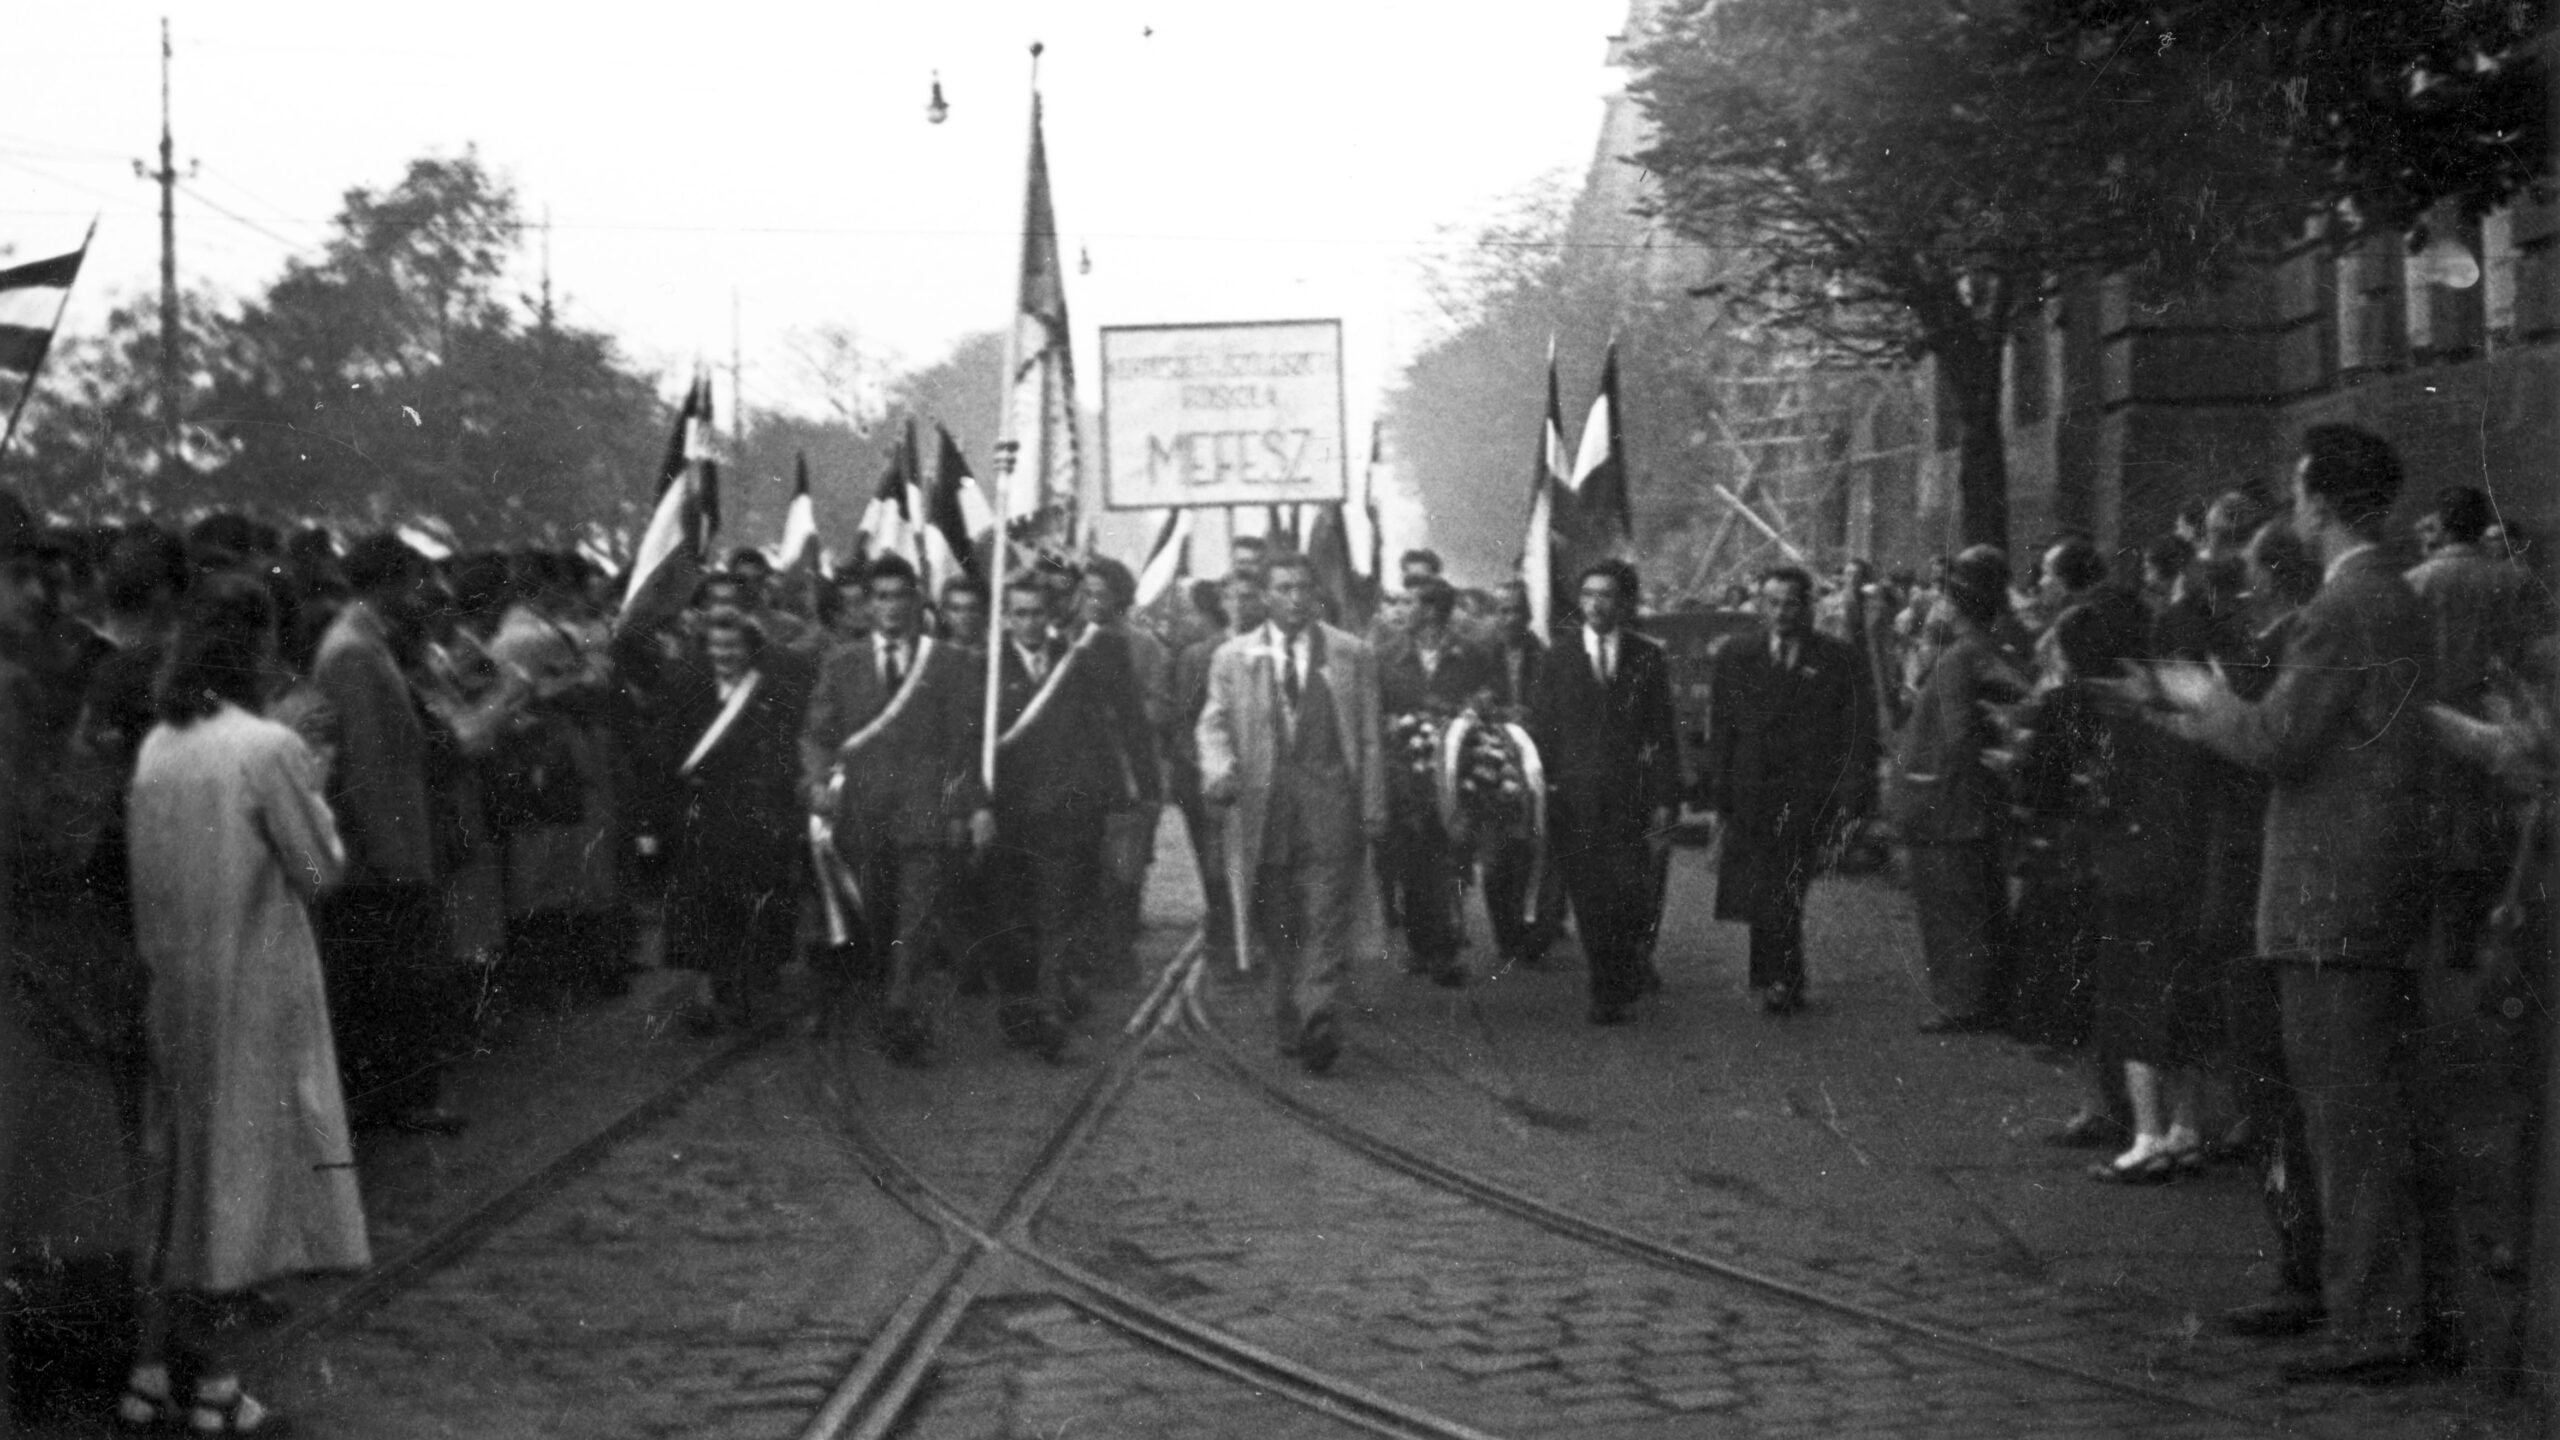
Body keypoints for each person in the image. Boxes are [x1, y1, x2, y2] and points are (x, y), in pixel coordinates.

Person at [2147, 424, 2456, 1382]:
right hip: (2368, 894)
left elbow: (2280, 742)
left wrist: (2205, 704)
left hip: (2331, 903)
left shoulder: (2340, 609)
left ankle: (2376, 1323)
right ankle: (2370, 1304)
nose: (2291, 505)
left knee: (2346, 1120)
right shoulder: (2387, 595)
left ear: (2320, 502)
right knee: (2360, 1113)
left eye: (2297, 489)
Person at [120, 574, 366, 1437]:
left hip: (172, 983)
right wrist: (322, 795)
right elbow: (319, 869)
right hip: (252, 988)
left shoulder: (159, 745)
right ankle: (220, 1387)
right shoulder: (267, 747)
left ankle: (149, 1373)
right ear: (257, 647)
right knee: (238, 1185)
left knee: (177, 1181)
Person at [1198, 551, 1387, 1073]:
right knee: (1277, 919)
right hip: (1265, 812)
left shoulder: (1351, 654)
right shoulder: (1234, 658)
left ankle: (1318, 1014)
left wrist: (1373, 804)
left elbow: (1370, 738)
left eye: (1304, 587)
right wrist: (1218, 768)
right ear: (1264, 597)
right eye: (1284, 588)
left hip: (1332, 810)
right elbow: (1212, 723)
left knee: (1326, 916)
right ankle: (1292, 1011)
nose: (1297, 598)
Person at [803, 559, 995, 1062]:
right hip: (862, 815)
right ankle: (887, 993)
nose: (891, 607)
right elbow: (818, 735)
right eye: (881, 597)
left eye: (900, 596)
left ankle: (899, 1009)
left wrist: (967, 808)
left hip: (924, 815)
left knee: (916, 916)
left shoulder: (950, 663)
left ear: (917, 602)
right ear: (868, 605)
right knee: (876, 915)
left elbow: (963, 745)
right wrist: (818, 782)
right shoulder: (842, 663)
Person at [307, 535, 463, 1134]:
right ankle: (398, 1101)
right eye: (416, 581)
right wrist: (397, 859)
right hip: (381, 851)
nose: (424, 595)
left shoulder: (368, 644)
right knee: (391, 980)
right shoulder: (354, 652)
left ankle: (400, 1097)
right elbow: (368, 765)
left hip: (389, 841)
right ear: (391, 583)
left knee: (393, 980)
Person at [989, 569, 1160, 1043]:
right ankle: (1034, 998)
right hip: (1009, 814)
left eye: (1037, 614)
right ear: (1005, 617)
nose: (1028, 623)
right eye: (1019, 614)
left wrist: (1138, 794)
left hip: (1068, 811)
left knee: (1060, 909)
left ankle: (1049, 1011)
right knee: (1015, 915)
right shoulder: (985, 668)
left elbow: (1122, 727)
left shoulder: (1081, 661)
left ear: (1051, 616)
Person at [1701, 566, 1877, 1015]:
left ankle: (1781, 976)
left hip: (1806, 793)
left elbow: (1857, 733)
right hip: (1751, 791)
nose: (1781, 613)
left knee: (1787, 886)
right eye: (1772, 603)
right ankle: (1777, 975)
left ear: (1808, 606)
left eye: (1791, 603)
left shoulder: (1838, 659)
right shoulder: (1737, 656)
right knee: (1764, 887)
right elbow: (1722, 729)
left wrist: (1853, 795)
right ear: (1761, 605)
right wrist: (1718, 794)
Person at [646, 607, 810, 1034]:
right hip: (700, 815)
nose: (724, 654)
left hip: (752, 814)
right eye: (716, 645)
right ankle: (705, 996)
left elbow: (784, 754)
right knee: (701, 910)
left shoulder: (770, 693)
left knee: (749, 906)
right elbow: (665, 755)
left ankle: (741, 990)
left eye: (732, 645)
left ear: (750, 649)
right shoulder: (685, 689)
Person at [1533, 559, 1681, 1026]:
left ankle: (1630, 957)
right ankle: (1607, 989)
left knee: (1629, 890)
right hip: (1574, 800)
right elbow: (1543, 728)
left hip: (1630, 798)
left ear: (1624, 603)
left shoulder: (1645, 656)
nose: (1597, 604)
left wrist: (1664, 798)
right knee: (1589, 896)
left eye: (1607, 595)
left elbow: (1661, 730)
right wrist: (1543, 785)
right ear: (1579, 602)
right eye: (1589, 595)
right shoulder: (1557, 657)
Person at [1888, 545, 2026, 1034]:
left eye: (1944, 596)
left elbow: (1965, 731)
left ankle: (1962, 1000)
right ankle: (1977, 997)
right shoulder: (1977, 651)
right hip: (1962, 804)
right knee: (1971, 901)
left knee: (1950, 905)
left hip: (1947, 805)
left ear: (1958, 603)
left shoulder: (1963, 657)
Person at [1378, 576, 1497, 987]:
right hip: (1406, 780)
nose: (1400, 609)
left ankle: (1444, 949)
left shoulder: (1473, 656)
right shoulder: (1387, 657)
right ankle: (1421, 945)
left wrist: (1468, 716)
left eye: (1408, 601)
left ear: (1430, 610)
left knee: (1451, 861)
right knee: (1412, 865)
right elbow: (1377, 714)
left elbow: (1488, 706)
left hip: (1457, 777)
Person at [1171, 573, 1263, 980]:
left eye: (1249, 596)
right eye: (1233, 597)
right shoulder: (1200, 655)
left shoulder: (1273, 650)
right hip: (1214, 783)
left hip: (1265, 779)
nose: (1241, 605)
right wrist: (1210, 772)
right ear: (1221, 603)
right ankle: (1225, 947)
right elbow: (1187, 723)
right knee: (1216, 868)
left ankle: (1258, 943)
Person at [1480, 580, 1559, 969]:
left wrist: (1533, 722)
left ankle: (1534, 935)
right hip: (1491, 770)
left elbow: (1556, 712)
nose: (1508, 618)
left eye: (1515, 610)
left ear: (1527, 615)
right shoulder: (1482, 656)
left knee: (1534, 854)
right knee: (1495, 862)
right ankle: (1506, 935)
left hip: (1535, 770)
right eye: (1502, 611)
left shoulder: (1545, 657)